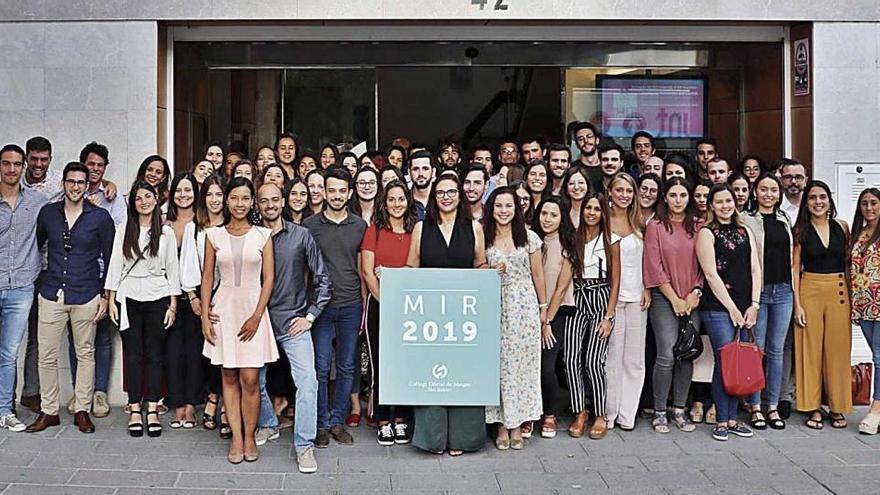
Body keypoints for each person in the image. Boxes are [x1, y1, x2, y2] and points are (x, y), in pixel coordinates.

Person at [27, 162, 114, 434]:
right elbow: (37, 247)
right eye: (71, 181)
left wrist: (106, 296)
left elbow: (111, 259)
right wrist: (39, 283)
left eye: (81, 182)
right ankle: (49, 411)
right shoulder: (48, 213)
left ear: (88, 185)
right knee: (47, 355)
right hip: (52, 291)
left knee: (85, 353)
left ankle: (82, 410)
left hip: (86, 293)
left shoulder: (100, 218)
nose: (76, 187)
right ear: (63, 184)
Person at [406, 174, 488, 456]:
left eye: (451, 191)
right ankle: (433, 438)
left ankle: (463, 439)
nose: (446, 197)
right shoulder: (421, 228)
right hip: (431, 317)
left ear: (459, 195)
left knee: (463, 374)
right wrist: (390, 276)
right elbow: (412, 268)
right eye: (440, 192)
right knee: (433, 374)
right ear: (433, 196)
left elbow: (480, 264)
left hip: (465, 317)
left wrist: (488, 273)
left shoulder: (474, 227)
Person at [201, 176, 279, 463]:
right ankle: (236, 437)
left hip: (253, 310)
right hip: (223, 311)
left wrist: (257, 316)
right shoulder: (213, 235)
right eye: (234, 198)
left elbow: (269, 278)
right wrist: (205, 319)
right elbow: (208, 277)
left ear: (252, 202)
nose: (239, 203)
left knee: (250, 379)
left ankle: (250, 435)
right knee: (229, 376)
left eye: (245, 198)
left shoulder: (263, 235)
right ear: (226, 200)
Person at [257, 182, 329, 473]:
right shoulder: (251, 236)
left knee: (308, 382)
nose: (270, 205)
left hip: (293, 323)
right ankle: (268, 423)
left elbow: (323, 280)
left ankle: (304, 445)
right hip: (258, 323)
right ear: (257, 204)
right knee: (254, 382)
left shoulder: (301, 236)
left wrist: (310, 316)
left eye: (275, 199)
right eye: (264, 201)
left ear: (283, 201)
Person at [106, 181, 180, 438]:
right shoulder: (123, 229)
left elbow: (173, 269)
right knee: (134, 355)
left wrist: (172, 303)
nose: (144, 202)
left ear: (157, 199)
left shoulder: (166, 233)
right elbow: (115, 264)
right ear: (132, 202)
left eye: (148, 196)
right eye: (138, 198)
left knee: (155, 355)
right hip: (129, 297)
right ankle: (135, 407)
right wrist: (111, 298)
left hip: (158, 296)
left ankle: (152, 408)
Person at [303, 167, 368, 447]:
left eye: (343, 190)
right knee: (319, 366)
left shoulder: (359, 226)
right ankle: (319, 423)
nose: (337, 195)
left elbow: (362, 268)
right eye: (332, 190)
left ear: (350, 192)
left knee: (346, 366)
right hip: (320, 308)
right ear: (323, 192)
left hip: (351, 304)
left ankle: (337, 422)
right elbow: (303, 269)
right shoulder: (309, 225)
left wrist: (365, 305)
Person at [696, 184, 761, 441]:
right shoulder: (706, 233)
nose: (725, 206)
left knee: (740, 361)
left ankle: (734, 419)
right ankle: (722, 419)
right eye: (719, 202)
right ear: (711, 205)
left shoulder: (745, 230)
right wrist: (732, 308)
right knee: (726, 360)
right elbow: (711, 274)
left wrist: (754, 304)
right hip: (718, 307)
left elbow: (756, 268)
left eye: (729, 201)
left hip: (746, 307)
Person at [484, 187, 548, 450]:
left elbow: (538, 274)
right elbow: (474, 267)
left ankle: (519, 422)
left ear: (516, 208)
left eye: (508, 206)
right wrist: (488, 270)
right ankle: (501, 423)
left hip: (524, 306)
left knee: (523, 366)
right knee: (499, 365)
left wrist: (543, 308)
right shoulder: (483, 236)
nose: (503, 211)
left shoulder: (529, 237)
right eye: (498, 206)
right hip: (494, 304)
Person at [65, 142, 125, 419]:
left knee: (101, 336)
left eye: (101, 166)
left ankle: (99, 391)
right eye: (91, 164)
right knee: (76, 338)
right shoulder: (67, 192)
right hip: (75, 276)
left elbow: (120, 236)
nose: (95, 170)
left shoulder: (112, 197)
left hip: (103, 275)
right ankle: (81, 392)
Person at [642, 177, 702, 434]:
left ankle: (679, 408)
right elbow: (653, 266)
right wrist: (674, 298)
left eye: (683, 195)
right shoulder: (655, 226)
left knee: (686, 353)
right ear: (665, 197)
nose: (678, 200)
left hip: (692, 299)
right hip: (664, 299)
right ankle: (659, 411)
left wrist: (695, 293)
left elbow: (706, 264)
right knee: (666, 354)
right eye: (673, 195)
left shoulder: (698, 226)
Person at [360, 180, 417, 446]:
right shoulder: (374, 231)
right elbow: (367, 272)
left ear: (408, 201)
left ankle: (402, 419)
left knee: (406, 362)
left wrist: (396, 275)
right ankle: (383, 420)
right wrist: (384, 301)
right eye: (391, 199)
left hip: (410, 308)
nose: (396, 204)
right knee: (380, 362)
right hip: (379, 304)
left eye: (401, 199)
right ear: (384, 203)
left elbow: (417, 267)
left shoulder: (416, 231)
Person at [792, 180, 852, 430]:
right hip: (809, 289)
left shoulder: (843, 227)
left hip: (838, 289)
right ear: (806, 203)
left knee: (838, 351)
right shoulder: (801, 232)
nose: (818, 202)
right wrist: (797, 305)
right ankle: (813, 407)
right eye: (813, 198)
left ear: (830, 200)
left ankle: (838, 406)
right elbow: (795, 269)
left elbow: (849, 265)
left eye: (822, 197)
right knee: (810, 350)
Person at [0, 144, 48, 432]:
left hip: (20, 289)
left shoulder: (38, 202)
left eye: (17, 164)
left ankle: (5, 410)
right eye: (6, 163)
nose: (12, 169)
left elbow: (68, 203)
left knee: (8, 353)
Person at [565, 193, 620, 440]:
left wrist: (609, 315)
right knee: (570, 358)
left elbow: (616, 281)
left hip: (600, 296)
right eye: (588, 208)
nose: (591, 213)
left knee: (593, 360)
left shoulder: (611, 240)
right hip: (577, 297)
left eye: (596, 209)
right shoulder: (574, 239)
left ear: (602, 213)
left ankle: (600, 413)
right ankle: (580, 411)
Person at [742, 173, 794, 430]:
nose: (769, 194)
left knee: (776, 351)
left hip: (784, 291)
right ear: (755, 192)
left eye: (773, 189)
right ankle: (754, 406)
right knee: (756, 350)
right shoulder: (747, 219)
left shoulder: (786, 219)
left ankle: (772, 406)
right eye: (763, 189)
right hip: (759, 293)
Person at [183, 174, 227, 434]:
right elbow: (189, 264)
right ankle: (212, 398)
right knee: (210, 352)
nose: (214, 199)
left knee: (227, 354)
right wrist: (194, 297)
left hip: (229, 295)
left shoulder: (234, 225)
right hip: (204, 295)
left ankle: (222, 404)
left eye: (219, 194)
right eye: (209, 194)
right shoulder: (195, 228)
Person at [605, 173, 649, 431]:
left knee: (634, 359)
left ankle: (627, 414)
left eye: (628, 191)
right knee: (612, 357)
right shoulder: (602, 221)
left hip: (637, 296)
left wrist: (648, 289)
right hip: (612, 297)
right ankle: (609, 412)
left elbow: (649, 260)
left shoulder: (639, 222)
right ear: (610, 192)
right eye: (619, 190)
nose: (623, 195)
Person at [532, 197, 576, 438]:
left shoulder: (567, 244)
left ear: (562, 218)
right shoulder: (530, 241)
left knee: (548, 366)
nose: (547, 219)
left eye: (553, 215)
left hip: (556, 313)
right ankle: (530, 414)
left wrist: (547, 320)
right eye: (544, 213)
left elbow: (561, 288)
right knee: (530, 366)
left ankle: (549, 414)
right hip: (531, 311)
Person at [165, 173, 204, 429]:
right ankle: (177, 402)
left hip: (194, 297)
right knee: (171, 352)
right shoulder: (163, 222)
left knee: (193, 351)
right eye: (178, 190)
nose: (183, 195)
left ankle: (191, 405)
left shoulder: (201, 223)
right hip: (166, 296)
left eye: (188, 190)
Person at [777, 158, 807, 418]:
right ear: (781, 179)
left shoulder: (815, 207)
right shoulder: (775, 208)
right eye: (789, 177)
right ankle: (784, 395)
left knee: (808, 342)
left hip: (812, 282)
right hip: (783, 283)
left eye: (798, 177)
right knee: (784, 343)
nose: (794, 182)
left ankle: (810, 394)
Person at [850, 188, 880, 434]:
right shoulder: (858, 233)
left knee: (879, 358)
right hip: (863, 304)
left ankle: (875, 409)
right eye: (864, 204)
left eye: (873, 203)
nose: (868, 208)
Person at [573, 122, 602, 190]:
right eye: (580, 139)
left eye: (589, 136)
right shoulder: (573, 169)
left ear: (597, 140)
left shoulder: (607, 167)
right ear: (577, 145)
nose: (586, 141)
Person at [408, 150, 434, 221]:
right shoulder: (404, 200)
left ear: (433, 172)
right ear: (409, 173)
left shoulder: (442, 198)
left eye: (425, 169)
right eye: (415, 169)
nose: (420, 174)